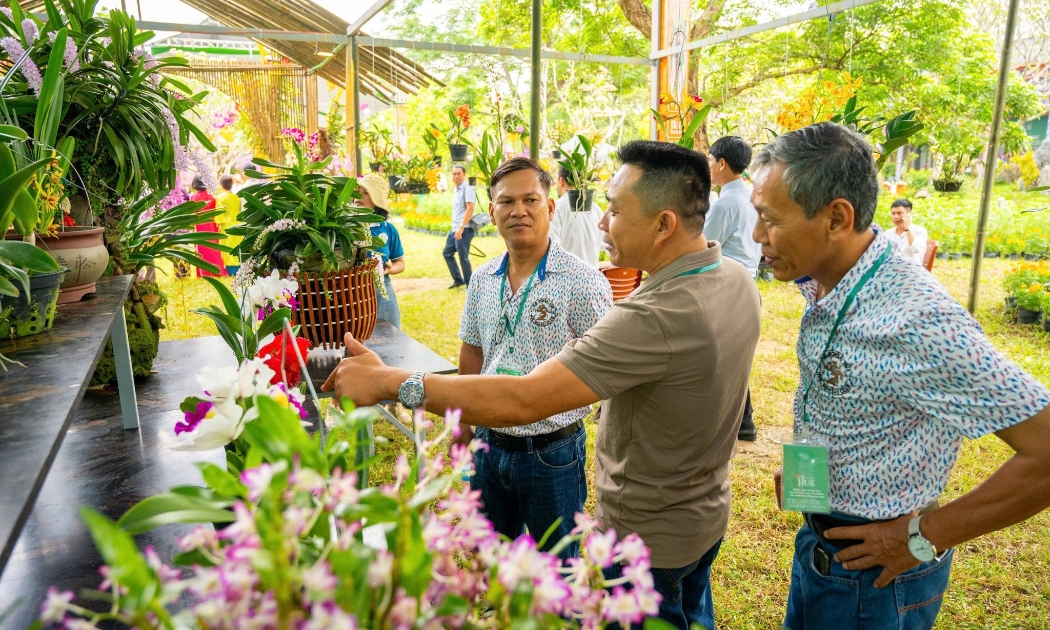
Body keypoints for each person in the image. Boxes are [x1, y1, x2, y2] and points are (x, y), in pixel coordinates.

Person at [323, 141, 762, 630]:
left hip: (646, 535)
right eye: (506, 202)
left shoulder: (648, 316)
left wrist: (389, 382)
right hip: (700, 518)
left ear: (663, 224)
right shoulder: (734, 278)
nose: (601, 222)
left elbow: (525, 398)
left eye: (614, 211)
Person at [750, 122, 1050, 630]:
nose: (757, 236)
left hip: (875, 580)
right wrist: (813, 458)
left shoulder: (916, 319)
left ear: (837, 218)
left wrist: (922, 535)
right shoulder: (829, 281)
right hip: (823, 550)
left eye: (769, 220)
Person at [440, 157, 612, 559]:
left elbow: (608, 370)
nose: (519, 211)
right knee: (490, 555)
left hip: (552, 453)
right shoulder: (482, 280)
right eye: (506, 202)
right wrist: (464, 427)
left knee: (558, 562)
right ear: (492, 212)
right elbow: (472, 352)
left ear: (550, 208)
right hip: (488, 444)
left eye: (531, 200)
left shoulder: (583, 281)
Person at [705, 135, 763, 443]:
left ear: (722, 163)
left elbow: (703, 246)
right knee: (734, 355)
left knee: (725, 356)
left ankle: (742, 422)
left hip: (727, 285)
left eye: (711, 161)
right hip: (748, 283)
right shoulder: (751, 197)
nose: (710, 167)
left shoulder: (725, 203)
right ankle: (743, 422)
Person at [356, 174, 406, 328]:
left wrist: (389, 270)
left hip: (382, 290)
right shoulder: (347, 227)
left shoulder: (388, 229)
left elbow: (400, 262)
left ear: (376, 199)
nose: (359, 196)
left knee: (391, 334)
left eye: (365, 193)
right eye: (357, 191)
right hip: (353, 291)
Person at [550, 166, 604, 269]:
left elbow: (551, 251)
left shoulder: (556, 208)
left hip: (566, 280)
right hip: (593, 280)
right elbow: (605, 243)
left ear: (561, 180)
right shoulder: (595, 208)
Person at [444, 164, 476, 289]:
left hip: (464, 229)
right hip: (455, 229)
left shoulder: (467, 189)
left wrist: (462, 227)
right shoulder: (457, 190)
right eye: (454, 174)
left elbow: (470, 208)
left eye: (458, 173)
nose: (456, 176)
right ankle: (458, 280)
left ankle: (470, 286)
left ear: (464, 175)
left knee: (463, 258)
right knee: (447, 253)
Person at [189, 176, 227, 278]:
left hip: (200, 225)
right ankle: (217, 270)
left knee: (201, 249)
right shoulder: (212, 197)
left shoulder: (194, 197)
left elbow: (192, 212)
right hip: (211, 224)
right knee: (214, 248)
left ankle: (203, 272)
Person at [885, 198, 928, 266]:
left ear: (909, 215)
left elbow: (916, 249)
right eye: (893, 213)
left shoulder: (919, 231)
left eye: (899, 213)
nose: (895, 217)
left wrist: (907, 228)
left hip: (912, 271)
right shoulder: (888, 233)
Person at [214, 175, 243, 276]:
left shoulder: (220, 198)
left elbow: (219, 215)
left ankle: (232, 272)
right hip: (238, 226)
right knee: (237, 249)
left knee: (228, 251)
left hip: (227, 227)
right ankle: (240, 270)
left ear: (221, 185)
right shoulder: (236, 197)